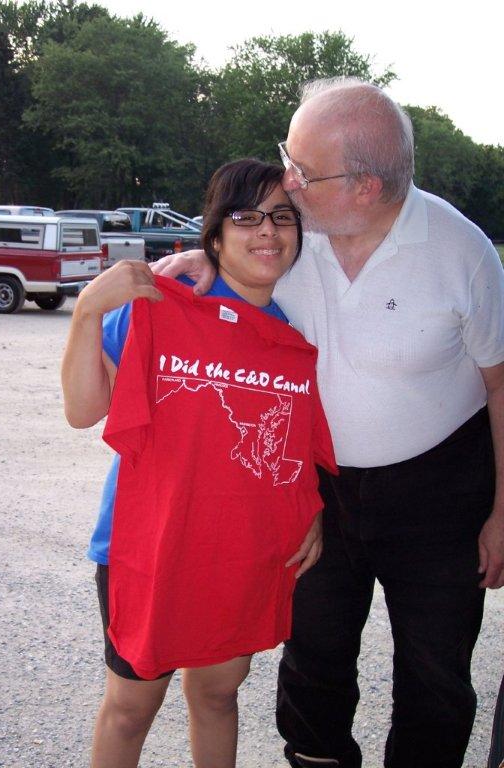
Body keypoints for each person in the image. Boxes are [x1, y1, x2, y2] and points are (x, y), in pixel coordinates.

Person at [154, 77, 504, 768]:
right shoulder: (290, 235)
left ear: (366, 188)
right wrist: (205, 257)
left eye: (302, 169)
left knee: (435, 671)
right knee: (313, 653)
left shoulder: (464, 254)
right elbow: (234, 261)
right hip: (318, 489)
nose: (286, 179)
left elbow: (501, 382)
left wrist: (503, 509)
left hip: (440, 495)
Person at [61, 158, 336, 768]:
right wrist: (86, 312)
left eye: (281, 217)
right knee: (131, 708)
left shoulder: (293, 335)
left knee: (217, 696)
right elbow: (84, 411)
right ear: (214, 234)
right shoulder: (161, 303)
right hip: (147, 545)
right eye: (245, 217)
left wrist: (308, 509)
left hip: (238, 550)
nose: (266, 231)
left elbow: (291, 445)